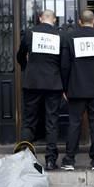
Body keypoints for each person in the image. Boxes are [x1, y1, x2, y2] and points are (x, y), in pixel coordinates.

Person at [60, 10, 94, 170]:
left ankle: (69, 160)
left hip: (76, 89)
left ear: (79, 22)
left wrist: (65, 87)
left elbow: (65, 65)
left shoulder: (70, 38)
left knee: (74, 123)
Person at [16, 10, 63, 170]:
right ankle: (50, 160)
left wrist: (27, 67)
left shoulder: (30, 33)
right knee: (52, 122)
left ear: (40, 19)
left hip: (32, 82)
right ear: (54, 20)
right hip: (53, 83)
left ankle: (24, 158)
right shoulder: (59, 35)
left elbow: (20, 55)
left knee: (29, 120)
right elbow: (64, 62)